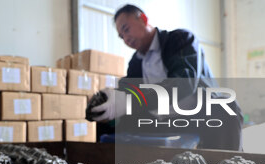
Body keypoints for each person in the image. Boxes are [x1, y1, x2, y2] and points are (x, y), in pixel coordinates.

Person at [90, 4, 243, 150]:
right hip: (162, 120)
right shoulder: (136, 63)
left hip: (197, 116)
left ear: (143, 19)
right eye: (121, 36)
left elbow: (183, 84)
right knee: (109, 124)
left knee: (226, 107)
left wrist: (132, 100)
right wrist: (106, 105)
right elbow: (128, 91)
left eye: (126, 29)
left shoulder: (180, 40)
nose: (126, 39)